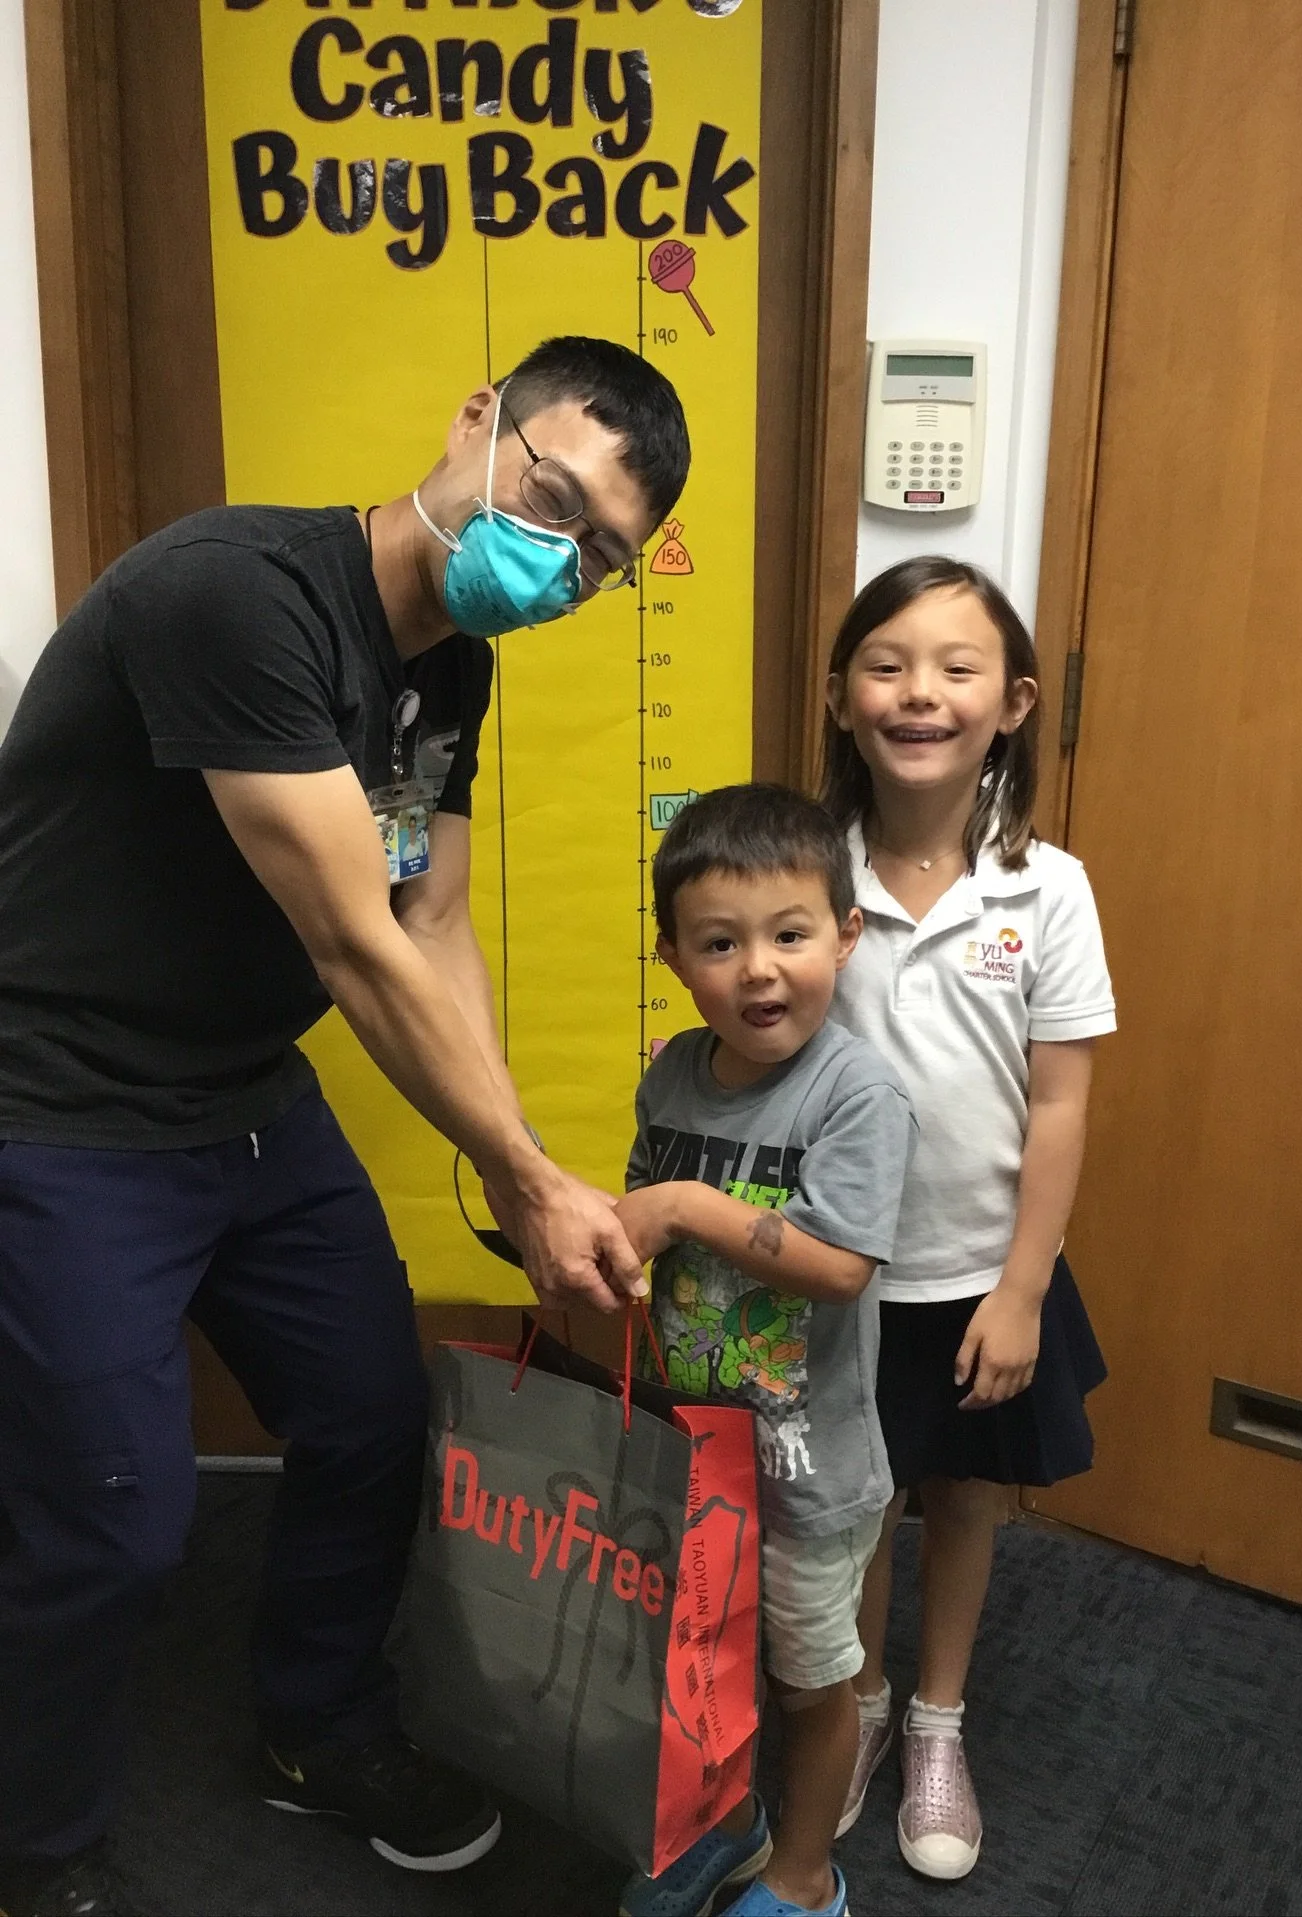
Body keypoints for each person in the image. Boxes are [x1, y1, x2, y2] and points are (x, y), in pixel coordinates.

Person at [0, 337, 688, 1917]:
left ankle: (315, 1725)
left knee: (375, 1415)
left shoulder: (457, 661)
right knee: (112, 1519)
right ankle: (35, 1846)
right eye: (550, 496)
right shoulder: (235, 594)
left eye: (599, 555)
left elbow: (432, 915)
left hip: (243, 1091)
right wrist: (530, 1174)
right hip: (59, 1103)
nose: (558, 556)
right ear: (474, 424)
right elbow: (355, 946)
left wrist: (511, 1167)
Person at [820, 556, 1115, 1880]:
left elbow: (1058, 1107)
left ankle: (939, 1718)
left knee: (965, 1492)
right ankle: (861, 1708)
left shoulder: (1047, 890)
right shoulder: (806, 872)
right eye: (887, 664)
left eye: (957, 667)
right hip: (838, 1276)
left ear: (1014, 702)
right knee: (854, 1502)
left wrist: (1023, 1289)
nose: (920, 692)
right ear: (840, 699)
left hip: (981, 1273)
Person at [613, 784, 917, 1917]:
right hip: (693, 1449)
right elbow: (652, 1219)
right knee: (704, 1663)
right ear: (674, 956)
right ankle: (720, 1825)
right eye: (720, 943)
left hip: (809, 1475)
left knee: (811, 1681)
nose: (759, 971)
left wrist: (686, 1207)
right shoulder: (674, 1074)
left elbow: (840, 1265)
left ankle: (804, 1873)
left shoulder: (857, 1094)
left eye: (791, 935)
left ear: (844, 934)